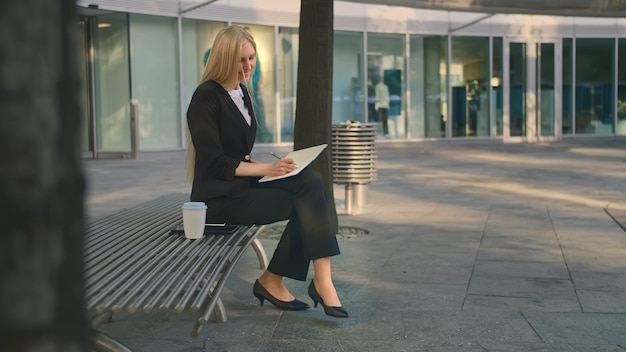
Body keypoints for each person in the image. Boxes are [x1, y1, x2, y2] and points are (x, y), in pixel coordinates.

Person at [185, 25, 348, 318]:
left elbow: (238, 154)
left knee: (308, 180)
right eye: (240, 60)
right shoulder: (206, 97)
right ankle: (277, 281)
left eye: (251, 58)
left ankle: (319, 280)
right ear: (223, 58)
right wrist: (266, 168)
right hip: (219, 200)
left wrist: (277, 169)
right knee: (307, 203)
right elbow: (214, 162)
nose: (248, 66)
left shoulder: (243, 94)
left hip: (242, 188)